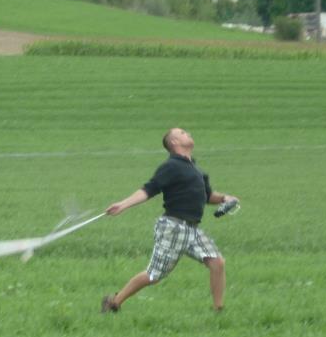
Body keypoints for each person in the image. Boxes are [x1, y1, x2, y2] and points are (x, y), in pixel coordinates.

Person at [101, 128, 238, 313]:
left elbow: (207, 196)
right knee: (154, 275)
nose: (188, 133)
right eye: (182, 132)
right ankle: (114, 302)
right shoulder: (171, 166)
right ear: (174, 142)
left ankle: (218, 311)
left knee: (217, 262)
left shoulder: (195, 169)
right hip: (173, 227)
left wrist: (225, 199)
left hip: (192, 229)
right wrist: (123, 205)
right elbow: (149, 189)